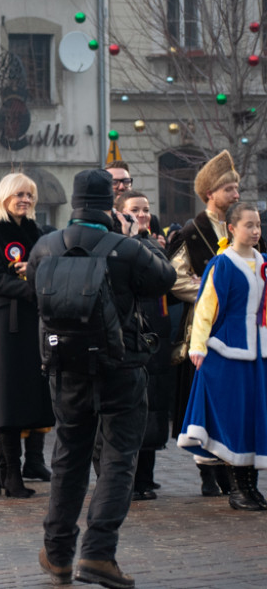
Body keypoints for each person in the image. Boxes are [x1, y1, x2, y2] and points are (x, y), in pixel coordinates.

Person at [30, 169, 175, 588]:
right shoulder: (126, 249)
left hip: (66, 368)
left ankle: (57, 554)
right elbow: (163, 279)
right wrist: (138, 238)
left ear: (75, 203)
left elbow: (31, 289)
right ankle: (97, 555)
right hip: (121, 367)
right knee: (117, 461)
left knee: (68, 458)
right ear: (108, 204)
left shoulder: (45, 246)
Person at [177, 201, 267, 512]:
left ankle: (251, 487)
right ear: (232, 228)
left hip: (259, 353)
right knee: (234, 418)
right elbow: (205, 310)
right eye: (249, 225)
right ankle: (237, 488)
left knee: (255, 417)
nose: (255, 231)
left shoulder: (264, 263)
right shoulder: (222, 264)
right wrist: (198, 347)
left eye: (258, 225)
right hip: (228, 352)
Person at [169, 150, 249, 497]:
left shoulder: (243, 230)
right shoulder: (192, 232)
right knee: (205, 396)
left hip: (239, 329)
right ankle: (206, 470)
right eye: (229, 189)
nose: (235, 195)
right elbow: (172, 277)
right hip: (204, 328)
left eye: (236, 188)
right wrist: (209, 292)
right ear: (209, 194)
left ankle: (233, 465)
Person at [0, 172, 53, 498]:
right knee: (8, 397)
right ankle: (13, 476)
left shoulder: (35, 231)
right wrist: (33, 289)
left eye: (30, 195)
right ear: (5, 196)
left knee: (29, 394)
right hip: (6, 323)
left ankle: (3, 473)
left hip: (34, 321)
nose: (25, 200)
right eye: (19, 194)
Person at [115, 190, 174, 500]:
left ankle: (147, 476)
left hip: (157, 333)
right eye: (134, 210)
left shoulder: (153, 243)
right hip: (133, 332)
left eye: (146, 210)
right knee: (134, 408)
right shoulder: (121, 245)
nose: (141, 215)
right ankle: (131, 478)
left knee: (155, 405)